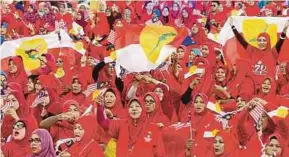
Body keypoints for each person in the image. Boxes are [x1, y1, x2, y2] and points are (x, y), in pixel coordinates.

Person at [229, 17, 289, 87]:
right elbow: (241, 40)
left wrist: (285, 29)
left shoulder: (273, 52)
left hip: (268, 86)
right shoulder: (252, 50)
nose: (261, 42)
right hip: (254, 85)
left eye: (264, 40)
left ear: (268, 41)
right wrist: (233, 27)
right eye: (259, 40)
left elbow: (280, 41)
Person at [97, 97, 165, 157]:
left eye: (137, 106)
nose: (134, 109)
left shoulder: (154, 128)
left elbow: (160, 154)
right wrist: (100, 107)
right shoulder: (121, 124)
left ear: (143, 108)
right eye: (131, 107)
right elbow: (103, 122)